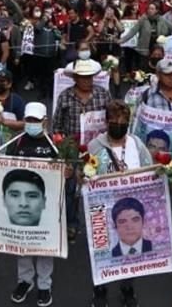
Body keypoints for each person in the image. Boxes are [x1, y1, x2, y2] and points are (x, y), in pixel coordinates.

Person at [88, 100, 153, 307]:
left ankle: (127, 287)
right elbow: (87, 174)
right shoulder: (95, 146)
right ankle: (100, 288)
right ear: (107, 122)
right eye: (114, 120)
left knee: (129, 247)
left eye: (123, 121)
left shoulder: (136, 144)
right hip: (103, 209)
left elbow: (149, 169)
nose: (119, 123)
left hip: (130, 208)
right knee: (102, 250)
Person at [52, 60, 111, 244]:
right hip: (72, 149)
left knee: (98, 185)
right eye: (82, 77)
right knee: (71, 190)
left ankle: (100, 226)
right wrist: (62, 150)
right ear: (75, 78)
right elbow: (57, 126)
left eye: (89, 77)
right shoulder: (65, 96)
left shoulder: (103, 95)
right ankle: (71, 224)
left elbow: (111, 119)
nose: (86, 81)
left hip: (97, 149)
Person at [6, 102, 57, 307]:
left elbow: (65, 169)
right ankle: (25, 281)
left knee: (45, 245)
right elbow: (3, 167)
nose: (32, 123)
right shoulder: (16, 141)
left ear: (45, 121)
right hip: (20, 203)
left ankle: (44, 285)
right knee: (22, 244)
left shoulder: (54, 142)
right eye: (29, 120)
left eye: (36, 120)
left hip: (47, 203)